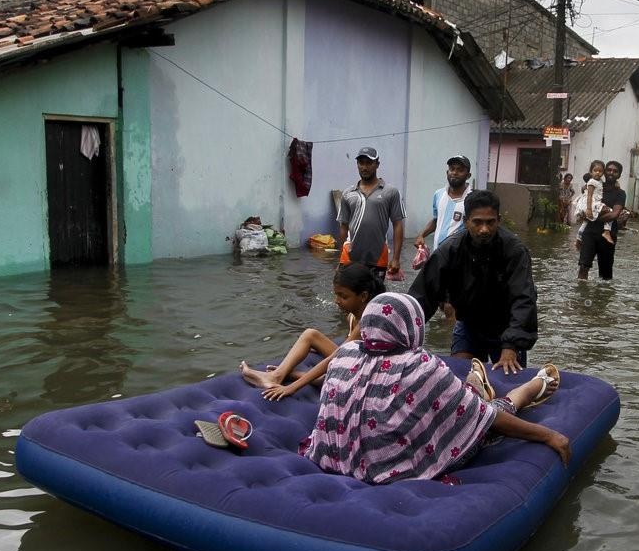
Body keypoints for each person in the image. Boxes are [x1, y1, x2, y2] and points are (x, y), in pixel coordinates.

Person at [298, 292, 570, 485]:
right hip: (394, 467)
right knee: (488, 412)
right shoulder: (420, 366)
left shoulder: (345, 354)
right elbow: (484, 418)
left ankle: (474, 387)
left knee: (459, 403)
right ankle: (532, 386)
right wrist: (547, 436)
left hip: (335, 458)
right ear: (413, 325)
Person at [409, 189, 537, 375]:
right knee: (458, 377)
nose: (484, 229)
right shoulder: (449, 251)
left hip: (507, 328)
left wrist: (511, 345)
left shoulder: (515, 251)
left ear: (498, 220)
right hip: (469, 325)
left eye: (490, 222)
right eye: (477, 222)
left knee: (509, 382)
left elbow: (524, 299)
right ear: (466, 221)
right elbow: (422, 297)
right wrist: (404, 339)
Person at [240, 263, 386, 400]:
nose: (337, 300)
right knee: (311, 334)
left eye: (343, 296)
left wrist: (291, 388)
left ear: (363, 296)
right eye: (336, 294)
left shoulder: (367, 320)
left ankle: (283, 376)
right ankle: (282, 375)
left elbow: (337, 357)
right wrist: (321, 346)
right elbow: (350, 349)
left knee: (327, 371)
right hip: (358, 359)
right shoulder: (353, 314)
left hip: (368, 372)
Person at [337, 146, 405, 281]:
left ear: (377, 164)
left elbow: (397, 224)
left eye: (369, 163)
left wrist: (396, 258)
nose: (364, 167)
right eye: (361, 163)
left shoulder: (390, 192)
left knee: (374, 297)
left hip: (377, 255)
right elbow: (343, 226)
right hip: (350, 256)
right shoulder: (348, 193)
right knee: (349, 296)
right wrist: (340, 256)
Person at [414, 154, 473, 253]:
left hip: (461, 256)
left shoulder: (473, 198)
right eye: (452, 169)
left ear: (468, 176)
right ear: (447, 172)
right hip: (438, 254)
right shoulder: (439, 194)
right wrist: (421, 235)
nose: (455, 173)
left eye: (460, 170)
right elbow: (437, 220)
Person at [577, 164, 627, 280]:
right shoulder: (596, 186)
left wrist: (592, 217)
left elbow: (615, 214)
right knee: (583, 266)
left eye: (615, 171)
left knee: (605, 274)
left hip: (608, 235)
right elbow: (585, 198)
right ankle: (581, 295)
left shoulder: (620, 193)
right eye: (609, 170)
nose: (611, 172)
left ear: (619, 175)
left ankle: (603, 296)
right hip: (590, 233)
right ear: (604, 172)